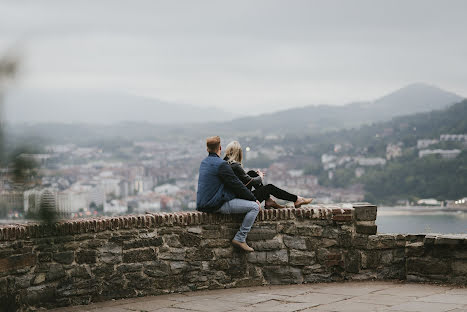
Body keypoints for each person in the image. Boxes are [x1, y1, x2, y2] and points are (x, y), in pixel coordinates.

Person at [196, 136, 260, 252]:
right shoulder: (221, 164)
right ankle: (240, 238)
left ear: (207, 149)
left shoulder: (204, 163)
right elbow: (236, 185)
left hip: (202, 204)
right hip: (215, 204)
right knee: (254, 207)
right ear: (220, 148)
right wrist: (253, 198)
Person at [223, 141, 313, 208]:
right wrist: (261, 176)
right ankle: (296, 199)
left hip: (236, 195)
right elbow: (251, 181)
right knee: (269, 187)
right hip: (242, 198)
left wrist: (256, 176)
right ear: (238, 153)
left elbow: (244, 180)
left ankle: (269, 200)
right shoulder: (235, 166)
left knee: (251, 173)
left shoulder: (225, 163)